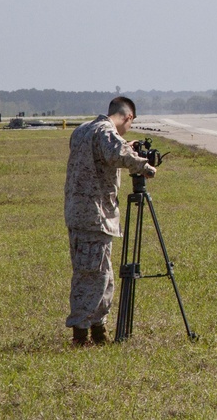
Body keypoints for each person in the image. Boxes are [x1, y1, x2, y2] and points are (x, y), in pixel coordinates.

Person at [64, 96, 156, 346]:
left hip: (79, 212)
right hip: (94, 215)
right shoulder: (105, 131)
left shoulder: (84, 129)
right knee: (92, 275)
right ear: (128, 117)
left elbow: (106, 152)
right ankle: (81, 335)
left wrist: (127, 145)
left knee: (101, 273)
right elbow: (117, 153)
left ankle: (97, 329)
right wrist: (144, 166)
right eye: (129, 124)